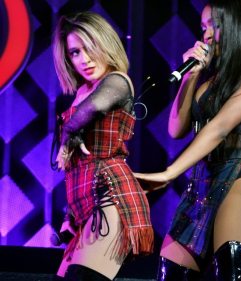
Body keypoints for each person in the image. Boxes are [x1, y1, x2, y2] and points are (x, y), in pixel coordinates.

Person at [133, 0, 241, 279]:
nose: (207, 34)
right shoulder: (207, 81)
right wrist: (191, 76)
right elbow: (176, 129)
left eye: (216, 25)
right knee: (171, 271)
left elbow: (220, 128)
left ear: (237, 25)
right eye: (203, 27)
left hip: (239, 175)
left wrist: (169, 173)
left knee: (232, 270)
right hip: (202, 181)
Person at [51, 11, 154, 281]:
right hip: (84, 206)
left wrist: (69, 133)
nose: (83, 59)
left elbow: (90, 111)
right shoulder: (82, 91)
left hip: (110, 195)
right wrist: (69, 215)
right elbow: (74, 165)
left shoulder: (116, 81)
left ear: (105, 44)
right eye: (74, 52)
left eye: (90, 48)